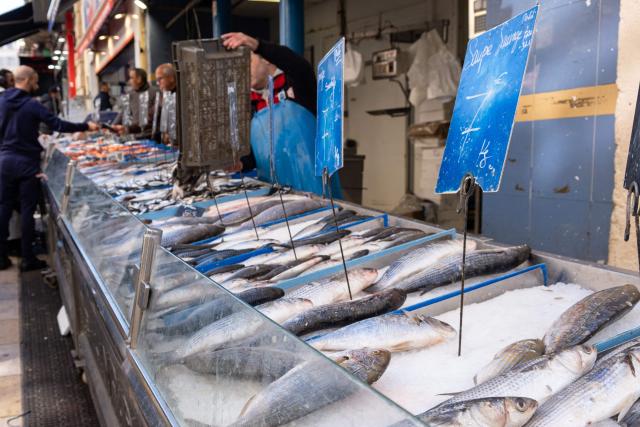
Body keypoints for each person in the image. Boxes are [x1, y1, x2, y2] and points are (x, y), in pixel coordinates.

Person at [0, 66, 99, 271]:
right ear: (27, 80)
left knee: (4, 209)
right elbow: (58, 125)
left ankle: (1, 258)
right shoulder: (31, 104)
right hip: (27, 164)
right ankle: (28, 259)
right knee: (28, 210)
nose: (37, 84)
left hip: (4, 163)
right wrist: (85, 126)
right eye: (35, 80)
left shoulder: (1, 102)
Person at [221, 33, 342, 197]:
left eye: (247, 62)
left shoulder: (297, 81)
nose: (242, 70)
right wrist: (240, 163)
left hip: (318, 189)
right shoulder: (247, 105)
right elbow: (254, 155)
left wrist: (258, 45)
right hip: (277, 195)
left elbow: (298, 64)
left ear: (267, 59)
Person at [113, 68, 158, 138]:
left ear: (139, 79)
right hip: (135, 135)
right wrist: (113, 126)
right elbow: (123, 112)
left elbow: (155, 115)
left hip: (152, 136)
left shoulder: (155, 92)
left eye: (131, 78)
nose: (129, 81)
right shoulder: (129, 94)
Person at [153, 63, 177, 146]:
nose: (158, 83)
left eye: (160, 79)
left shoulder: (183, 95)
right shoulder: (163, 95)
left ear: (171, 78)